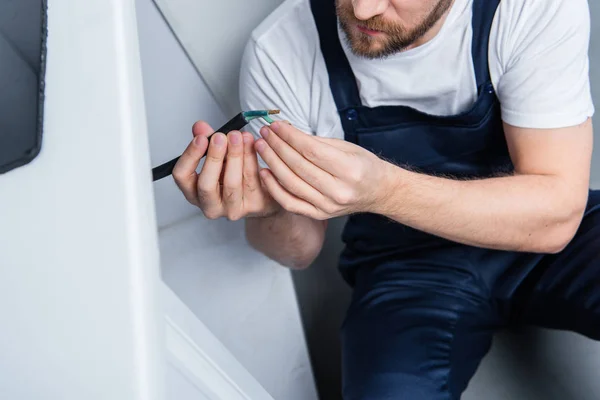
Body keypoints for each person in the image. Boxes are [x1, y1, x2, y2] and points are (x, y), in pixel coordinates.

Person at [172, 0, 598, 398]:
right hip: (407, 270)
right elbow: (299, 251)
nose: (363, 9)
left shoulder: (531, 8)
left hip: (545, 238)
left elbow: (556, 215)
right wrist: (271, 204)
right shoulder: (280, 51)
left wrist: (385, 190)